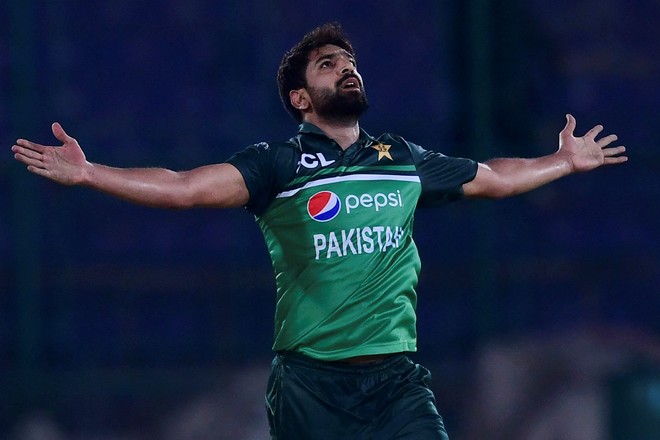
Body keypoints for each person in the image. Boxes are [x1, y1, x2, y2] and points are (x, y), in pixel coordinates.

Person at [11, 22, 627, 440]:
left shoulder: (399, 157)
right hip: (310, 386)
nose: (347, 70)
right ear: (301, 99)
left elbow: (492, 177)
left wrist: (562, 161)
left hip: (396, 381)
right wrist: (90, 173)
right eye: (329, 65)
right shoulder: (276, 165)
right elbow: (185, 187)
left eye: (351, 63)